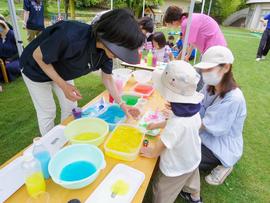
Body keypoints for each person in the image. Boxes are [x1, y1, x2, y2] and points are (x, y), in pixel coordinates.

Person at [20, 9, 145, 136]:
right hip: (35, 69)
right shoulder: (70, 35)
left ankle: (66, 137)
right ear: (108, 37)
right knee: (48, 111)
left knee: (70, 106)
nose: (119, 56)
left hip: (62, 71)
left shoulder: (107, 53)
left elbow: (107, 78)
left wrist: (122, 105)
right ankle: (50, 146)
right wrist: (63, 85)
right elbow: (38, 55)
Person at [140, 60, 204, 203]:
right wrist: (157, 125)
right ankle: (195, 197)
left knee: (162, 189)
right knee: (192, 178)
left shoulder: (177, 123)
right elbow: (175, 124)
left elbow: (164, 142)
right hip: (192, 157)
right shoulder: (191, 111)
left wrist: (152, 152)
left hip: (176, 165)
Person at [193, 46, 247, 185]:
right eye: (204, 69)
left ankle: (225, 164)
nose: (205, 73)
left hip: (219, 144)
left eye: (209, 69)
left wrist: (181, 123)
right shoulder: (209, 85)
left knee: (185, 156)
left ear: (226, 68)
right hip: (205, 132)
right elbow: (198, 104)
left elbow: (205, 125)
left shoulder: (233, 98)